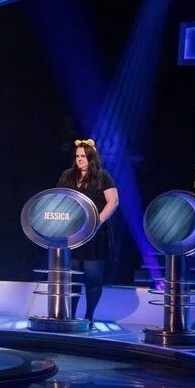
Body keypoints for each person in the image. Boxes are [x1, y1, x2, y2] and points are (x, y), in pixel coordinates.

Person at [56, 139, 119, 329]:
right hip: (72, 233)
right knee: (72, 278)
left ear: (92, 158)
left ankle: (89, 317)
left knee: (93, 279)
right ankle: (70, 317)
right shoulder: (67, 175)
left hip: (94, 234)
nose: (79, 159)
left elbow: (113, 201)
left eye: (83, 156)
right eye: (77, 156)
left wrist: (97, 221)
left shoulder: (102, 176)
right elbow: (58, 198)